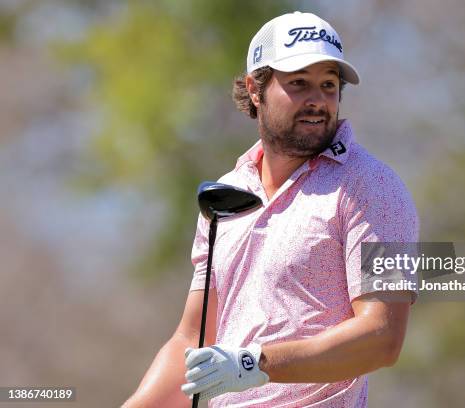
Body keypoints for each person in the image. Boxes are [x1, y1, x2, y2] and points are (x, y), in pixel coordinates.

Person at [124, 11, 419, 407]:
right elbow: (193, 340)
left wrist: (254, 363)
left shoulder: (376, 187)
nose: (317, 99)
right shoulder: (226, 195)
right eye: (298, 83)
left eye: (329, 85)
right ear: (255, 89)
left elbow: (382, 337)